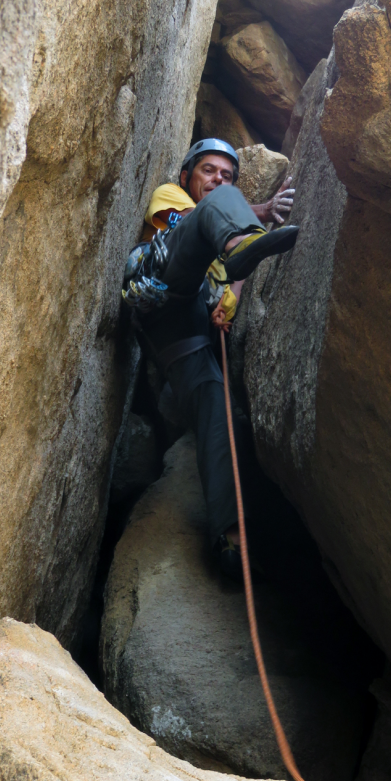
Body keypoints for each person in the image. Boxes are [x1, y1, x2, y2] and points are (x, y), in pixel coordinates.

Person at [122, 138, 296, 579]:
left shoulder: (220, 229)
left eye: (227, 175)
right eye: (209, 171)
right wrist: (256, 211)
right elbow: (201, 228)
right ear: (187, 176)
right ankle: (242, 238)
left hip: (187, 334)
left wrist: (232, 296)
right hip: (164, 287)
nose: (219, 180)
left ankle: (231, 538)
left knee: (220, 414)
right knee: (219, 225)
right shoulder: (170, 196)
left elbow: (229, 268)